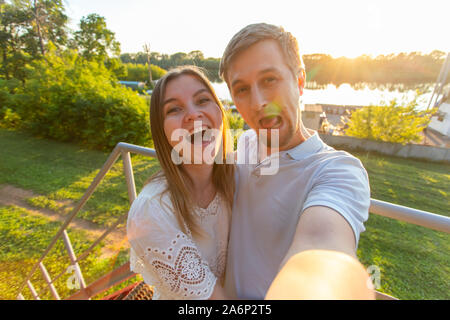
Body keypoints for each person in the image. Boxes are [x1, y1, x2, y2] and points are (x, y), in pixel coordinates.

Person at [219, 23, 373, 299]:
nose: (258, 102)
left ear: (300, 81)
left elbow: (320, 247)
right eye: (241, 89)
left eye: (269, 80)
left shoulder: (337, 171)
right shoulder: (245, 143)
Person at [127, 66, 234, 299]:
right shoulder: (151, 211)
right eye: (174, 109)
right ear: (161, 131)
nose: (193, 115)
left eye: (203, 100)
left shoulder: (236, 177)